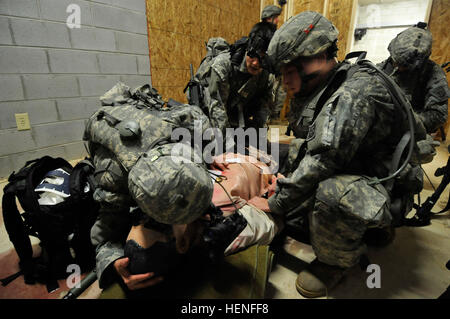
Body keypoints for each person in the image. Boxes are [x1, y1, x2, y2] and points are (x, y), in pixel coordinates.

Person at [248, 11, 432, 298]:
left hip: (386, 179)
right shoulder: (329, 82)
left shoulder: (353, 93)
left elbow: (323, 160)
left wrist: (277, 203)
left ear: (315, 58)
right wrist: (287, 181)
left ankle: (334, 262)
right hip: (365, 163)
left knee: (332, 194)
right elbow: (312, 143)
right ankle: (367, 228)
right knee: (294, 153)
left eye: (288, 71)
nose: (284, 82)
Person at [84, 83, 282, 292]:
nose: (143, 218)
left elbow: (203, 128)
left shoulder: (183, 125)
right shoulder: (113, 177)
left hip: (231, 152)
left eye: (139, 218)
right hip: (262, 163)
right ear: (182, 243)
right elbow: (105, 233)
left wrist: (209, 155)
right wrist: (112, 263)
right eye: (157, 223)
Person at [195, 22, 277, 135]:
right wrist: (228, 144)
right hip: (209, 117)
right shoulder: (223, 65)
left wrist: (258, 139)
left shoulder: (267, 77)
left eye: (262, 59)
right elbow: (217, 108)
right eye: (253, 55)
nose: (255, 63)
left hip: (235, 119)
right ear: (248, 48)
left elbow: (264, 111)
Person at [378, 24, 449, 134]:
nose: (398, 68)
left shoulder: (433, 74)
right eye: (396, 62)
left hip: (411, 132)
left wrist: (405, 121)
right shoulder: (381, 67)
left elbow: (438, 115)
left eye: (405, 67)